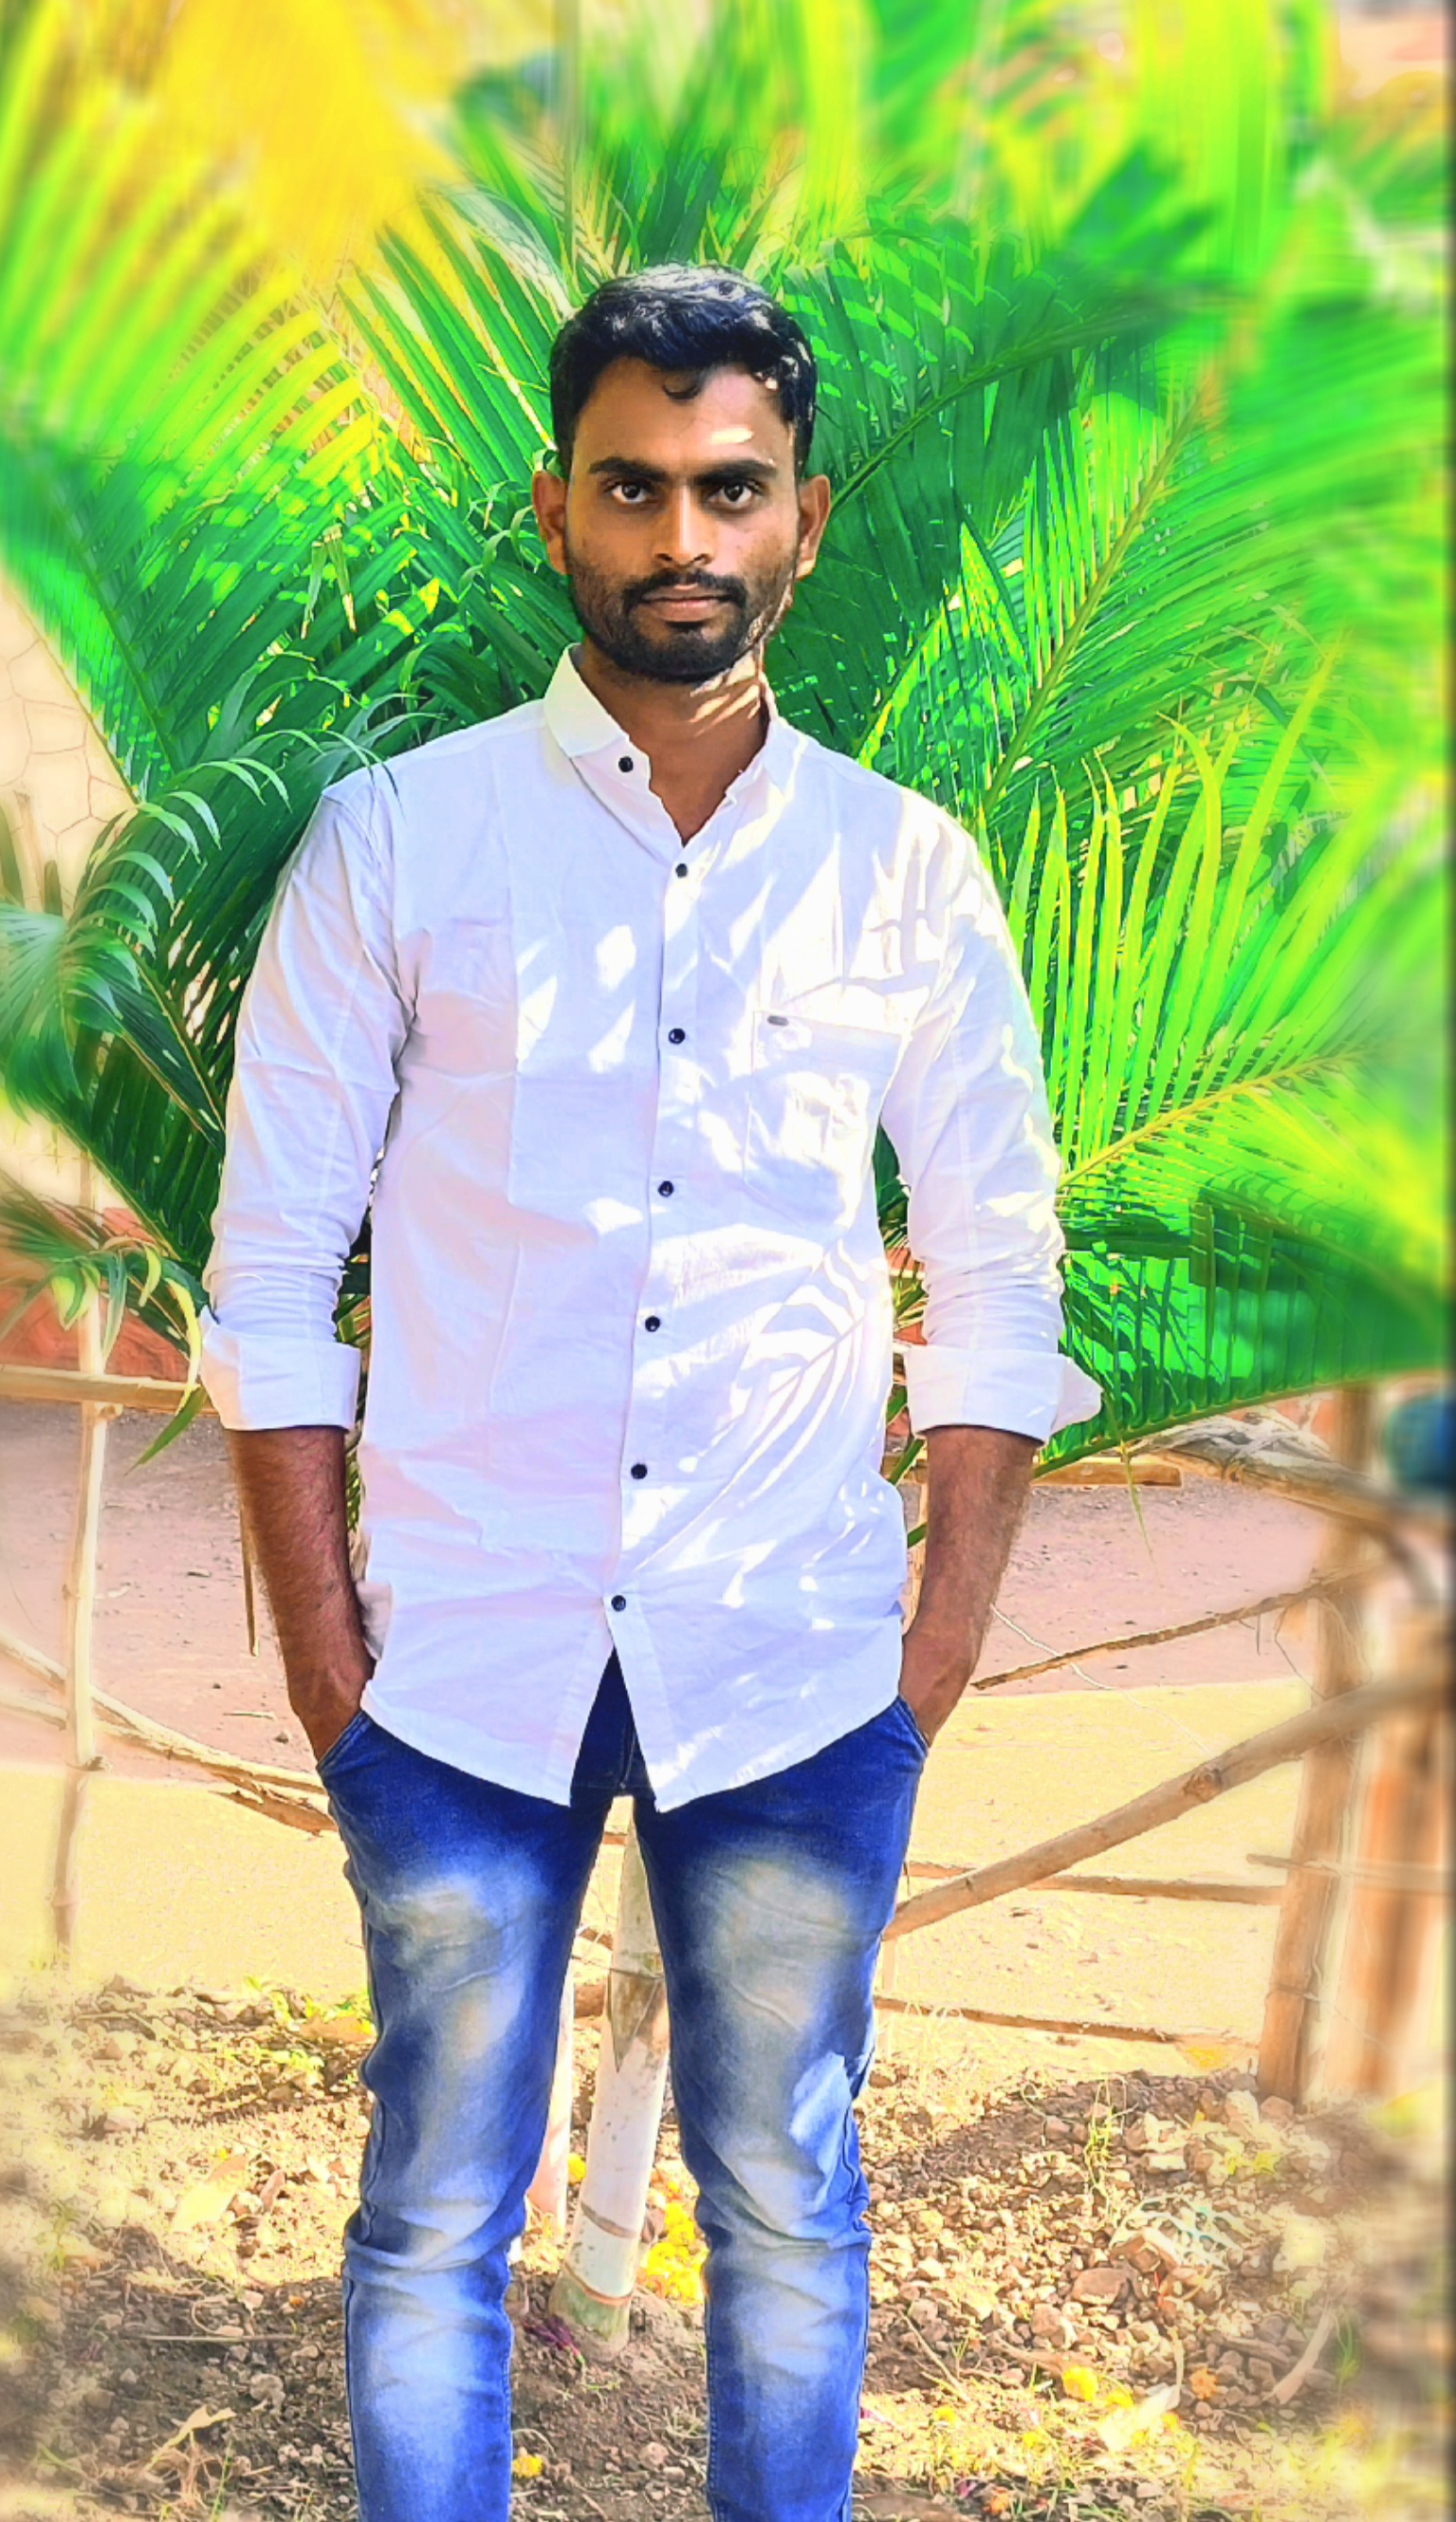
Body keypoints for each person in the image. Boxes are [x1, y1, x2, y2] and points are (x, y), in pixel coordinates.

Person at [200, 264, 1100, 2522]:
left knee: (786, 2208)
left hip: (795, 1667)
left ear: (803, 517)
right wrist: (324, 1662)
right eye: (633, 487)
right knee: (432, 2220)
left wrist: (934, 1643)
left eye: (730, 487)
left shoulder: (904, 873)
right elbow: (276, 1274)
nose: (681, 535)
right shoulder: (400, 842)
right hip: (457, 1664)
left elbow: (1000, 1271)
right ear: (557, 510)